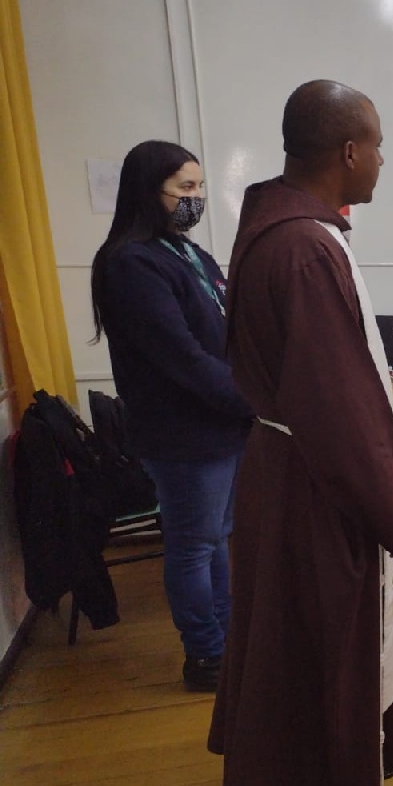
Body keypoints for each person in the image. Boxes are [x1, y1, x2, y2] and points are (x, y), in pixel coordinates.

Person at [207, 80, 393, 786]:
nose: (382, 161)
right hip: (316, 480)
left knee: (292, 640)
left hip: (285, 463)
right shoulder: (306, 247)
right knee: (329, 644)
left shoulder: (283, 229)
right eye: (377, 146)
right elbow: (338, 403)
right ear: (347, 150)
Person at [89, 140, 252, 692]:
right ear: (147, 190)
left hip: (223, 425)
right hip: (184, 435)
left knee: (216, 539)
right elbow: (182, 357)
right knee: (194, 546)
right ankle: (205, 655)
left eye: (200, 186)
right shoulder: (131, 262)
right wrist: (252, 399)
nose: (196, 197)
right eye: (185, 187)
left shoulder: (189, 253)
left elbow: (227, 332)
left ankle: (227, 642)